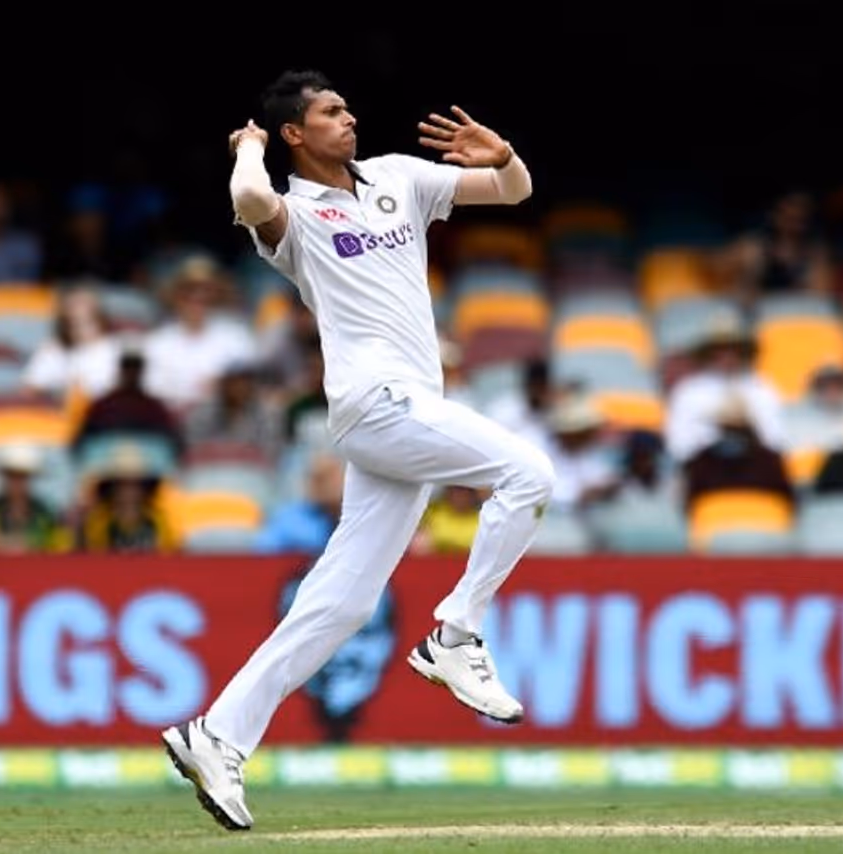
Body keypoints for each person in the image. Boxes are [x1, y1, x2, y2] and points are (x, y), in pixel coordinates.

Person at [161, 69, 549, 832]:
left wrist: (503, 156)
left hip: (409, 412)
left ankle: (218, 736)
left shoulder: (399, 177)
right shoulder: (294, 214)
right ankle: (456, 633)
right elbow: (250, 201)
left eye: (346, 108)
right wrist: (249, 148)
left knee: (341, 604)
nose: (350, 118)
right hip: (374, 402)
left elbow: (513, 194)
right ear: (294, 134)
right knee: (528, 474)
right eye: (330, 112)